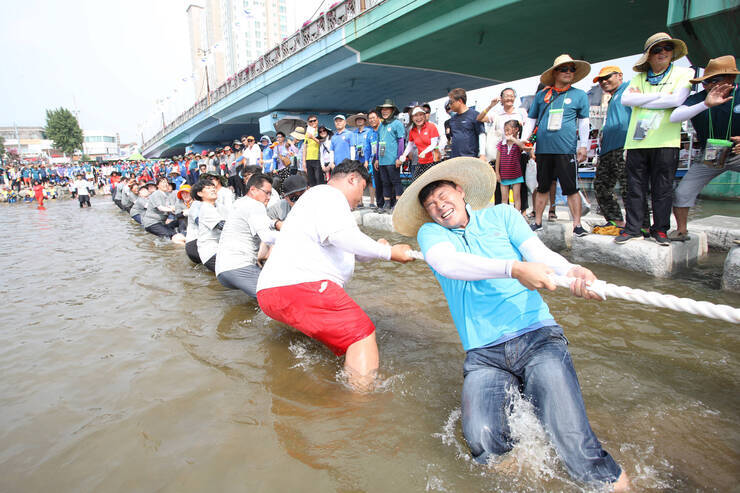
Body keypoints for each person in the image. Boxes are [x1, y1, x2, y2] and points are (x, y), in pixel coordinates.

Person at [392, 157, 629, 491]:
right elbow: (447, 264)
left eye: (443, 196)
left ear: (460, 191)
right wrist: (514, 269)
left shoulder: (502, 215)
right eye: (431, 205)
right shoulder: (431, 233)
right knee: (484, 446)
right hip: (484, 354)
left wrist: (570, 271)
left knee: (574, 445)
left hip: (537, 337)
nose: (439, 207)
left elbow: (539, 254)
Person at [256, 160, 413, 390]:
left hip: (274, 292)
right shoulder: (329, 196)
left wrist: (374, 247)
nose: (360, 199)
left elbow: (350, 248)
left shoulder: (318, 202)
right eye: (361, 190)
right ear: (353, 179)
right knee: (361, 334)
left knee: (322, 347)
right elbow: (341, 237)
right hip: (299, 286)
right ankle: (361, 411)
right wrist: (388, 252)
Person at [617, 32, 692, 246]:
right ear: (648, 55)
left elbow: (678, 99)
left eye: (667, 48)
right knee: (634, 188)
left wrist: (643, 101)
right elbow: (626, 99)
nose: (663, 53)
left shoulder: (683, 73)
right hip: (637, 141)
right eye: (657, 50)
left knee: (663, 188)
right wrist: (662, 97)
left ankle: (660, 230)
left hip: (666, 141)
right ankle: (633, 228)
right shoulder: (640, 77)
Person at [668, 55, 740, 241]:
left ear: (731, 79)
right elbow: (676, 115)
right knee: (683, 192)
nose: (708, 86)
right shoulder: (699, 98)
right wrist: (705, 104)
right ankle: (682, 230)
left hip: (737, 151)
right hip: (711, 155)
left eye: (713, 81)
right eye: (705, 82)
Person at [521, 55, 591, 236]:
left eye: (571, 69)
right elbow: (531, 120)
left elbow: (584, 122)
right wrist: (525, 140)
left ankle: (577, 225)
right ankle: (537, 222)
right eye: (564, 69)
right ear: (555, 73)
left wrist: (584, 146)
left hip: (566, 149)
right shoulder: (541, 95)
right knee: (542, 186)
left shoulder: (579, 95)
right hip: (543, 149)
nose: (568, 72)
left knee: (571, 188)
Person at [592, 66, 647, 235]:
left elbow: (642, 116)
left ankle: (641, 225)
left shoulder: (630, 89)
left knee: (629, 187)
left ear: (619, 76)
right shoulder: (612, 97)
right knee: (601, 185)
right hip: (608, 149)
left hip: (626, 146)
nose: (603, 82)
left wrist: (637, 142)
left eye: (607, 77)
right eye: (600, 80)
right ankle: (616, 220)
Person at [216, 173, 280, 297]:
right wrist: (295, 236)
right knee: (275, 298)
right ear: (253, 190)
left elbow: (261, 222)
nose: (268, 197)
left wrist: (275, 223)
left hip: (223, 270)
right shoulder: (256, 205)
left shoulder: (240, 203)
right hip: (239, 266)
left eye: (270, 194)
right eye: (266, 193)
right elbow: (267, 237)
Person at [375, 99, 406, 211]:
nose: (385, 111)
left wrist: (399, 158)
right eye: (383, 109)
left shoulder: (397, 123)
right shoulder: (381, 125)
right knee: (385, 182)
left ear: (392, 110)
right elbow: (378, 143)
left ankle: (398, 203)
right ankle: (386, 203)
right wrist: (377, 159)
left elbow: (401, 141)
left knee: (396, 181)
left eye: (387, 109)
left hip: (393, 159)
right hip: (382, 160)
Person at [398, 106, 440, 181]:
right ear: (412, 117)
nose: (418, 118)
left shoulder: (431, 126)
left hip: (432, 162)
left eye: (421, 115)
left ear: (424, 116)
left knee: (431, 183)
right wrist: (404, 155)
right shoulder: (412, 131)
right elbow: (410, 144)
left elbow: (434, 144)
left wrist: (424, 152)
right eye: (416, 115)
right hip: (420, 162)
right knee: (416, 182)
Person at [495, 120, 529, 212]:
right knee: (504, 199)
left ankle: (516, 215)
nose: (506, 133)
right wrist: (497, 173)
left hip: (516, 175)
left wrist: (513, 139)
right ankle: (505, 216)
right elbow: (498, 160)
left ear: (516, 130)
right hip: (504, 175)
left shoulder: (518, 144)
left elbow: (523, 147)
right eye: (505, 130)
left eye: (508, 130)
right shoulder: (501, 144)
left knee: (516, 198)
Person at [446, 88, 486, 160]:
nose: (449, 105)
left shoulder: (475, 115)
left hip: (471, 158)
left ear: (460, 101)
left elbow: (482, 134)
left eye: (451, 102)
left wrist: (482, 154)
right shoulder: (452, 119)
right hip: (455, 159)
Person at [302, 116, 323, 186]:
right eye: (311, 121)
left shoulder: (321, 131)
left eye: (314, 120)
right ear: (308, 123)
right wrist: (304, 162)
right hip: (308, 159)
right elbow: (305, 147)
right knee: (311, 181)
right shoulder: (307, 133)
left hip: (317, 158)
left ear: (317, 121)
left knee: (319, 179)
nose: (313, 122)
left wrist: (313, 137)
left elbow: (322, 142)